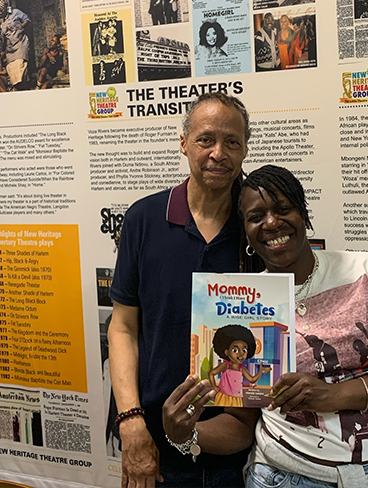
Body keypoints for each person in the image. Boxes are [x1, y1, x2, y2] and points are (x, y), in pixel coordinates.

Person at [163, 165, 368, 488]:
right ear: (246, 233)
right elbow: (242, 425)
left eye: (283, 209)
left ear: (304, 214)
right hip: (285, 478)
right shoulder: (243, 303)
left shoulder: (365, 269)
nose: (271, 222)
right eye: (256, 216)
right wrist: (185, 434)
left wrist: (334, 395)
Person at [108, 92, 256, 488]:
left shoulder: (256, 227)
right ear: (184, 143)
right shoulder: (144, 219)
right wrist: (130, 421)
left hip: (233, 447)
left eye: (232, 142)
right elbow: (122, 327)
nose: (218, 153)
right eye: (206, 139)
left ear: (245, 149)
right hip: (152, 444)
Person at [208, 325, 271, 407]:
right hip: (224, 396)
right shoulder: (225, 365)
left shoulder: (242, 369)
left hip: (237, 399)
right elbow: (211, 373)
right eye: (235, 350)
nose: (241, 353)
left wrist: (260, 372)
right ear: (227, 352)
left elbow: (252, 380)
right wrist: (214, 386)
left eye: (244, 350)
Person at [0, 0, 31, 91]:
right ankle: (16, 88)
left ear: (4, 9)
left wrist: (22, 25)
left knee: (20, 65)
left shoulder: (15, 12)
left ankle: (22, 85)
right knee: (12, 68)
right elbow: (3, 38)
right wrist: (3, 50)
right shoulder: (2, 22)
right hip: (10, 48)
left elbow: (27, 19)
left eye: (0, 10)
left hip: (20, 43)